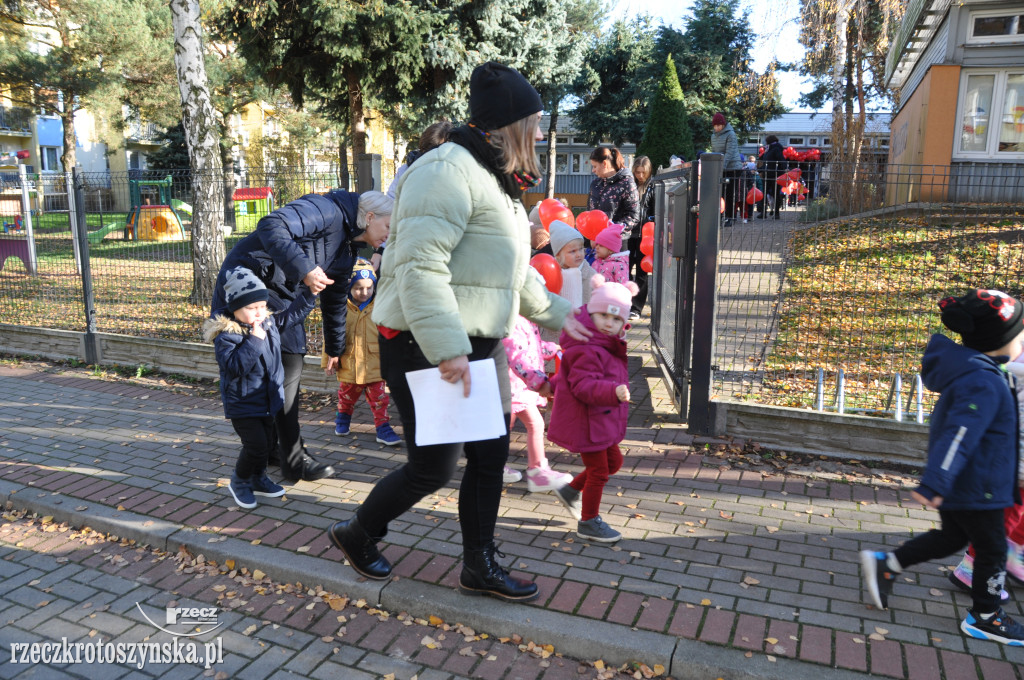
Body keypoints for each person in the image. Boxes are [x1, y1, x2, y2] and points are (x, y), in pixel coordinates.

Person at [325, 61, 590, 602]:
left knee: (490, 457)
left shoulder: (494, 179)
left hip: (478, 344)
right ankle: (358, 532)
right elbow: (419, 268)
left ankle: (478, 566)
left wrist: (569, 321)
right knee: (432, 469)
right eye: (535, 123)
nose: (541, 134)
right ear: (509, 125)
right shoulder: (445, 171)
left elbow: (511, 275)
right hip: (428, 345)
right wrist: (448, 348)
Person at [860, 289, 1024, 646]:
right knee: (993, 550)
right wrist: (935, 482)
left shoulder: (979, 371)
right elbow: (959, 434)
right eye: (1020, 333)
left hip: (966, 482)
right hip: (977, 486)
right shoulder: (983, 381)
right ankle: (986, 617)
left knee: (951, 537)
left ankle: (888, 564)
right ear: (1000, 340)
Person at [211, 190, 394, 483]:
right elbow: (271, 225)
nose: (389, 235)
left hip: (283, 297)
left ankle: (275, 450)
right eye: (388, 226)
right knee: (282, 366)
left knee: (286, 366)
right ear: (370, 217)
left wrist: (335, 347)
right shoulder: (326, 209)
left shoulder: (347, 250)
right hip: (248, 290)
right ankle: (292, 459)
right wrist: (305, 269)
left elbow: (335, 301)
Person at [203, 267, 314, 509]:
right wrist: (254, 340)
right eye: (251, 308)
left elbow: (291, 316)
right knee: (255, 445)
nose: (259, 312)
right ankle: (239, 481)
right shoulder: (226, 336)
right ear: (235, 308)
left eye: (262, 306)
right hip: (243, 404)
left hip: (267, 400)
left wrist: (310, 295)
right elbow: (235, 367)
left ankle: (258, 478)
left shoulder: (268, 322)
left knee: (266, 444)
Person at [548, 274, 637, 543]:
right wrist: (612, 392)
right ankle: (588, 521)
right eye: (603, 316)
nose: (609, 323)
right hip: (587, 421)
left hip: (600, 419)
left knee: (614, 463)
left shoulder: (605, 342)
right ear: (591, 312)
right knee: (599, 471)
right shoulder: (587, 346)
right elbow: (583, 385)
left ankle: (570, 490)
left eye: (616, 319)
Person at [323, 258, 401, 446]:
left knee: (380, 400)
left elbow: (389, 334)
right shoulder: (341, 308)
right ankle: (343, 417)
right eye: (358, 288)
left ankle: (383, 428)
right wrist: (328, 359)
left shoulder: (380, 307)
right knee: (346, 397)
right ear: (349, 287)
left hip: (375, 364)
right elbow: (331, 334)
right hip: (350, 364)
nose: (364, 292)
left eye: (369, 288)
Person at [502, 311, 573, 492]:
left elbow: (531, 346)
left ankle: (530, 469)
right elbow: (517, 356)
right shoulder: (514, 321)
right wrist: (538, 381)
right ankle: (535, 471)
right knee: (524, 425)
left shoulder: (524, 320)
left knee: (520, 426)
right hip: (513, 387)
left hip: (519, 387)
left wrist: (552, 349)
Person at [587, 146, 639, 250]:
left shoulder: (626, 183)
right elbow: (590, 211)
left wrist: (611, 230)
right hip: (596, 241)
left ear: (604, 164)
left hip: (617, 243)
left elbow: (633, 216)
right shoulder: (595, 184)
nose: (593, 170)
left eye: (595, 166)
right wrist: (591, 234)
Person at [629, 156, 653, 319]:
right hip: (630, 233)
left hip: (645, 235)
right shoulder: (630, 185)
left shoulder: (653, 186)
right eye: (637, 172)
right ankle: (626, 301)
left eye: (643, 172)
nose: (640, 176)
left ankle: (636, 308)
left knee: (642, 271)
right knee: (625, 267)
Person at [710, 113, 742, 225]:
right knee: (720, 193)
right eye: (715, 126)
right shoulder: (713, 136)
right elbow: (714, 152)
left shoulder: (730, 134)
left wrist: (721, 167)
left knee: (730, 194)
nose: (717, 128)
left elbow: (729, 153)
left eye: (719, 125)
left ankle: (731, 217)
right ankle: (720, 216)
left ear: (723, 125)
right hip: (721, 168)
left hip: (733, 168)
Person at [757, 135, 786, 220]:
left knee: (775, 194)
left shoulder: (776, 149)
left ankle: (775, 213)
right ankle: (764, 212)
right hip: (767, 174)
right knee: (765, 194)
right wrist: (760, 169)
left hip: (774, 174)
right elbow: (765, 161)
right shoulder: (769, 149)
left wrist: (784, 168)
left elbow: (781, 159)